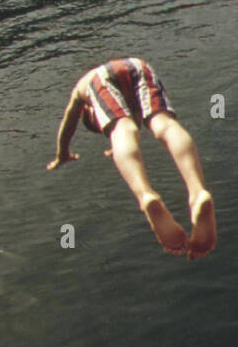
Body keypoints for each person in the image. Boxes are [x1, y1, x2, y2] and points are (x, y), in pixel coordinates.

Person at [47, 58, 216, 258]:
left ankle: (146, 195)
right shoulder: (123, 95)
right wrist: (116, 149)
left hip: (101, 78)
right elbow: (134, 124)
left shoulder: (83, 90)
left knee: (121, 129)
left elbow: (69, 123)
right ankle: (197, 191)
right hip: (139, 65)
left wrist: (62, 154)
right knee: (165, 124)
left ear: (89, 111)